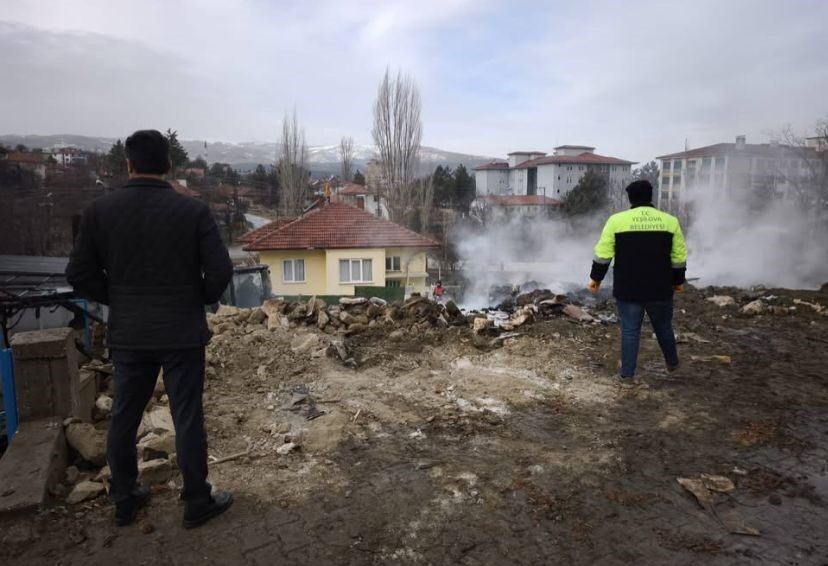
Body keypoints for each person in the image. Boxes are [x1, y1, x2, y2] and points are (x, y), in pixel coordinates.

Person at [66, 130, 234, 528]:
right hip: (181, 332)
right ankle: (196, 500)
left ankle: (125, 498)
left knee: (124, 416)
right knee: (187, 416)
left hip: (129, 334)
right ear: (169, 166)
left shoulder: (99, 212)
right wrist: (196, 298)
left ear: (129, 164)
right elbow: (221, 271)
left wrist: (117, 297)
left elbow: (78, 274)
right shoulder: (192, 211)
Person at [587, 180, 687, 380]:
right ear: (650, 196)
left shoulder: (617, 221)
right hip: (660, 287)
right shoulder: (669, 221)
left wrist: (595, 279)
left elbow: (603, 255)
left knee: (630, 331)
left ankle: (627, 376)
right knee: (664, 326)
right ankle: (672, 362)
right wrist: (678, 281)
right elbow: (679, 257)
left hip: (628, 288)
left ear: (630, 198)